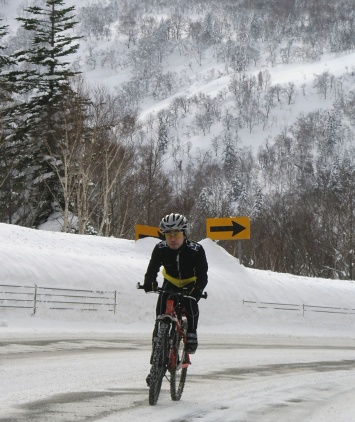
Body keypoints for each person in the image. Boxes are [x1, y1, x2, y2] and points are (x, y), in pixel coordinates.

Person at [143, 213, 208, 354]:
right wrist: (149, 282)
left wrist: (198, 289)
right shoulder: (160, 248)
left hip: (189, 284)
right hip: (170, 282)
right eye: (168, 235)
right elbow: (152, 269)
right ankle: (157, 342)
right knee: (161, 309)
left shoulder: (196, 250)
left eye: (176, 234)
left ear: (184, 234)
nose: (172, 239)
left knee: (190, 303)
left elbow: (203, 275)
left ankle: (192, 333)